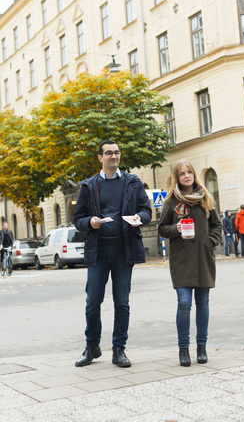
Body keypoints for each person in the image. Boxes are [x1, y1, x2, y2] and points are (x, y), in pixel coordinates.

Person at [74, 140, 152, 368]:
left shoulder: (133, 182)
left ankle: (119, 349)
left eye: (116, 152)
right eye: (109, 153)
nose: (114, 156)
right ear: (100, 157)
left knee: (122, 302)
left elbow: (146, 210)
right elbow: (78, 219)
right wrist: (90, 222)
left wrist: (140, 218)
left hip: (123, 250)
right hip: (98, 250)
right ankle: (92, 346)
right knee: (92, 302)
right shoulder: (89, 186)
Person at [158, 159, 222, 367]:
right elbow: (161, 228)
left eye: (189, 172)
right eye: (182, 173)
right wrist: (175, 229)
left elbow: (217, 226)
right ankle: (183, 348)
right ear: (177, 178)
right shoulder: (171, 202)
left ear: (194, 174)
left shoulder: (206, 199)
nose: (187, 176)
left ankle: (201, 347)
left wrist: (209, 243)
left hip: (203, 258)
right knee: (184, 303)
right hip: (181, 259)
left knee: (202, 304)